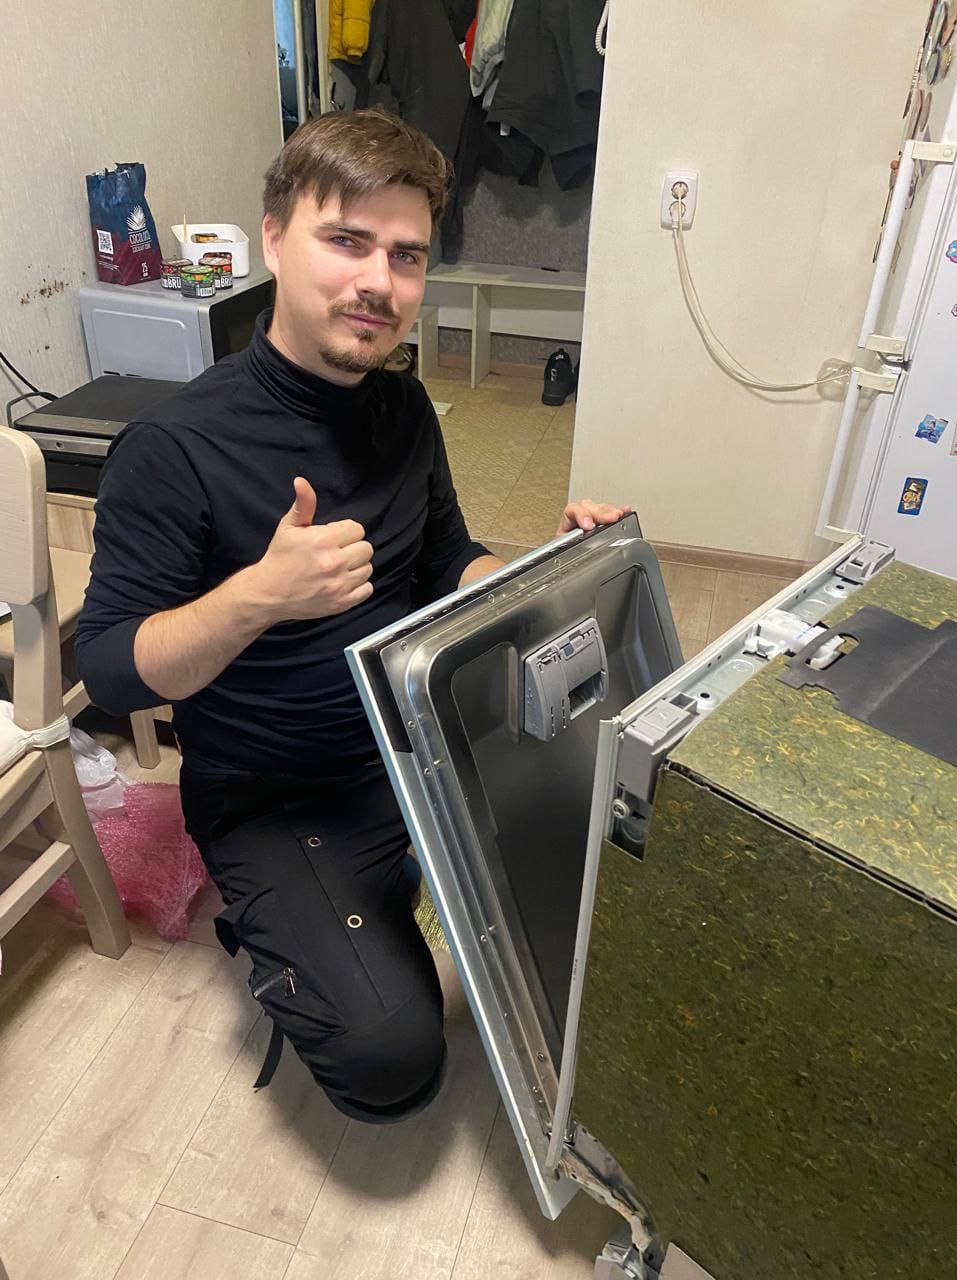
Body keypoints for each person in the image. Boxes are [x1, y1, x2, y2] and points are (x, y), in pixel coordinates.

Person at [76, 107, 627, 1123]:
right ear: (275, 238)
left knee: (607, 885)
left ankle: (402, 889)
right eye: (346, 240)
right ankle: (291, 924)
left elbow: (449, 557)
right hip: (275, 797)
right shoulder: (173, 449)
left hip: (417, 746)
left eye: (405, 255)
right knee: (393, 1060)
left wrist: (547, 572)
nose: (379, 281)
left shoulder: (403, 409)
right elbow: (108, 669)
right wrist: (259, 595)